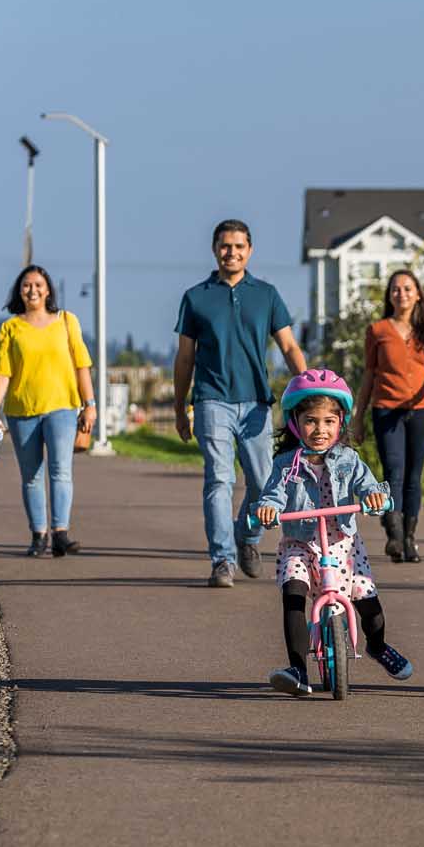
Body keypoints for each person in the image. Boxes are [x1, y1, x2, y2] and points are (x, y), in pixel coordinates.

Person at [253, 370, 414, 697]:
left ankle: (378, 645)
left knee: (367, 600)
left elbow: (369, 485)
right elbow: (273, 494)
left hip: (343, 546)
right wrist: (268, 508)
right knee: (293, 595)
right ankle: (297, 669)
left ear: (341, 421)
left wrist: (374, 497)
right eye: (311, 421)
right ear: (295, 422)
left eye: (329, 421)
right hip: (299, 544)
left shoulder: (349, 459)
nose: (320, 430)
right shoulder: (286, 464)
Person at [173, 218, 308, 588]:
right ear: (215, 249)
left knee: (264, 482)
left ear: (249, 251)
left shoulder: (266, 294)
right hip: (210, 399)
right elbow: (184, 359)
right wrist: (178, 407)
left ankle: (246, 537)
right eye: (225, 245)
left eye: (238, 246)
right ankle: (222, 560)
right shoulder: (196, 297)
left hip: (256, 403)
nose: (231, 252)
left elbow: (289, 346)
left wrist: (308, 388)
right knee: (219, 477)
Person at [0, 265, 98, 557]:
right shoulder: (11, 328)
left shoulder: (66, 321)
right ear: (19, 292)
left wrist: (90, 405)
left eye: (38, 285)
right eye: (26, 286)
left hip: (62, 408)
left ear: (48, 290)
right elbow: (3, 373)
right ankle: (39, 534)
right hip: (22, 410)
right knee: (32, 475)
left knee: (61, 471)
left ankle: (61, 533)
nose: (32, 290)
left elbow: (81, 365)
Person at [353, 268, 424, 563]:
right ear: (389, 296)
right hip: (387, 408)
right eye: (396, 289)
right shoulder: (378, 331)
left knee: (413, 476)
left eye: (408, 289)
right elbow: (369, 377)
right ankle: (394, 536)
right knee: (394, 471)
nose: (402, 294)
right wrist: (357, 418)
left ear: (418, 294)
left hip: (423, 409)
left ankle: (410, 538)